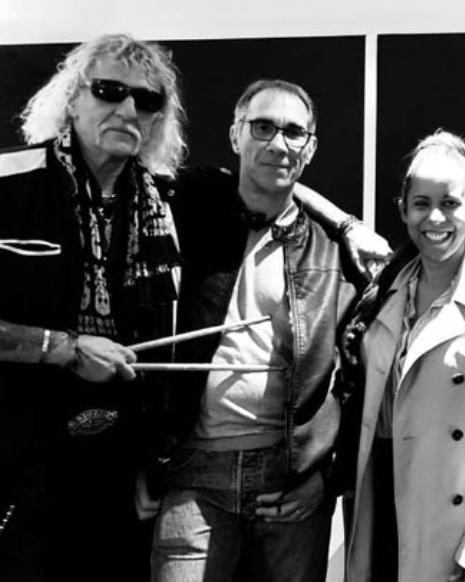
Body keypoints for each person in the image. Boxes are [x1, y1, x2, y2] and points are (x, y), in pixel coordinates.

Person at [150, 78, 365, 582]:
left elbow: (357, 381)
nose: (278, 143)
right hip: (192, 473)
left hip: (288, 482)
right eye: (263, 127)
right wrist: (144, 460)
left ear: (310, 147)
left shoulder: (333, 253)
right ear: (235, 135)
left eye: (294, 132)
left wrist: (326, 477)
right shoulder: (188, 207)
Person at [0, 34, 185, 581]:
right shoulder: (9, 182)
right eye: (109, 90)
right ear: (72, 97)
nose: (127, 109)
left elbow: (268, 183)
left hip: (113, 478)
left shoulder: (163, 203)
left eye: (146, 100)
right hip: (12, 467)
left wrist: (346, 226)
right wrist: (62, 348)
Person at [340, 130, 465, 582]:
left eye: (450, 203)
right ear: (402, 209)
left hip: (458, 524)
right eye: (422, 203)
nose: (435, 217)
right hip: (382, 504)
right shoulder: (381, 295)